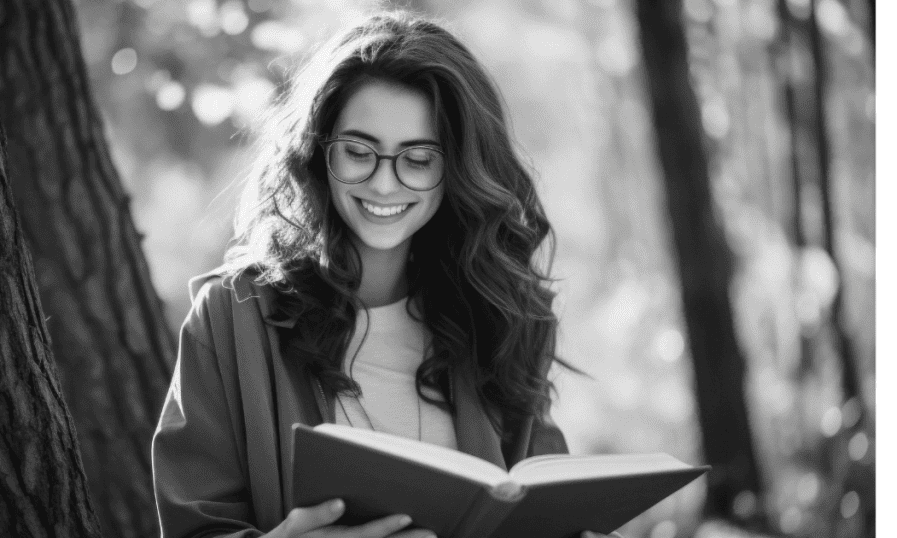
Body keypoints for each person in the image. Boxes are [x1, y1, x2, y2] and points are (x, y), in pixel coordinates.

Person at [152, 11, 619, 538]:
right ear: (316, 149)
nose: (382, 184)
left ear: (459, 168)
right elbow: (194, 525)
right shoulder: (233, 316)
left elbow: (548, 507)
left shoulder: (497, 315)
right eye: (358, 152)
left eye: (417, 159)